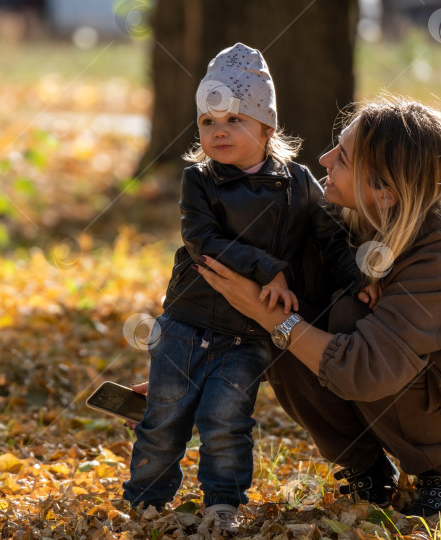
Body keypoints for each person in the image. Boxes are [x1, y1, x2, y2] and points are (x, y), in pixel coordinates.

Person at [195, 95, 441, 518]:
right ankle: (368, 470)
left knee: (331, 322)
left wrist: (272, 318)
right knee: (289, 312)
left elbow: (368, 368)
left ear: (386, 191)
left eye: (345, 158)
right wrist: (195, 373)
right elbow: (280, 317)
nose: (325, 157)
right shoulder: (348, 218)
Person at [122, 43, 368, 530]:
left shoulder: (299, 184)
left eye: (234, 120)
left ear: (266, 127)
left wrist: (361, 279)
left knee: (226, 421)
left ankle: (222, 503)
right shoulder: (199, 181)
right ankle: (146, 500)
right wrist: (268, 269)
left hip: (248, 335)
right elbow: (202, 240)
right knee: (164, 416)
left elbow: (332, 241)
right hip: (186, 321)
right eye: (208, 123)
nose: (219, 132)